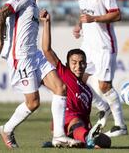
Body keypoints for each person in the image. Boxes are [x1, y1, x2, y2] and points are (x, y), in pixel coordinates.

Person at [0, 0, 81, 149]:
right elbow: (0, 14)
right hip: (21, 58)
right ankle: (7, 129)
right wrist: (0, 41)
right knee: (33, 102)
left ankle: (59, 136)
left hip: (35, 55)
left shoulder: (32, 3)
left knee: (61, 88)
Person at [73, 0, 127, 137]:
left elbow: (117, 14)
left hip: (104, 46)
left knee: (104, 86)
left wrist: (94, 18)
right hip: (87, 44)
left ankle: (120, 126)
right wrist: (79, 25)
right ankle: (102, 106)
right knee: (77, 76)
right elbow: (84, 13)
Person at [40, 9, 111, 148]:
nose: (78, 66)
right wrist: (46, 23)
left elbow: (86, 118)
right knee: (76, 122)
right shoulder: (64, 73)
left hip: (79, 126)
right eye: (74, 62)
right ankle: (82, 138)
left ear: (86, 64)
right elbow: (47, 50)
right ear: (67, 65)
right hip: (66, 120)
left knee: (106, 142)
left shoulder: (88, 91)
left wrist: (91, 128)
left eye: (81, 62)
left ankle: (79, 139)